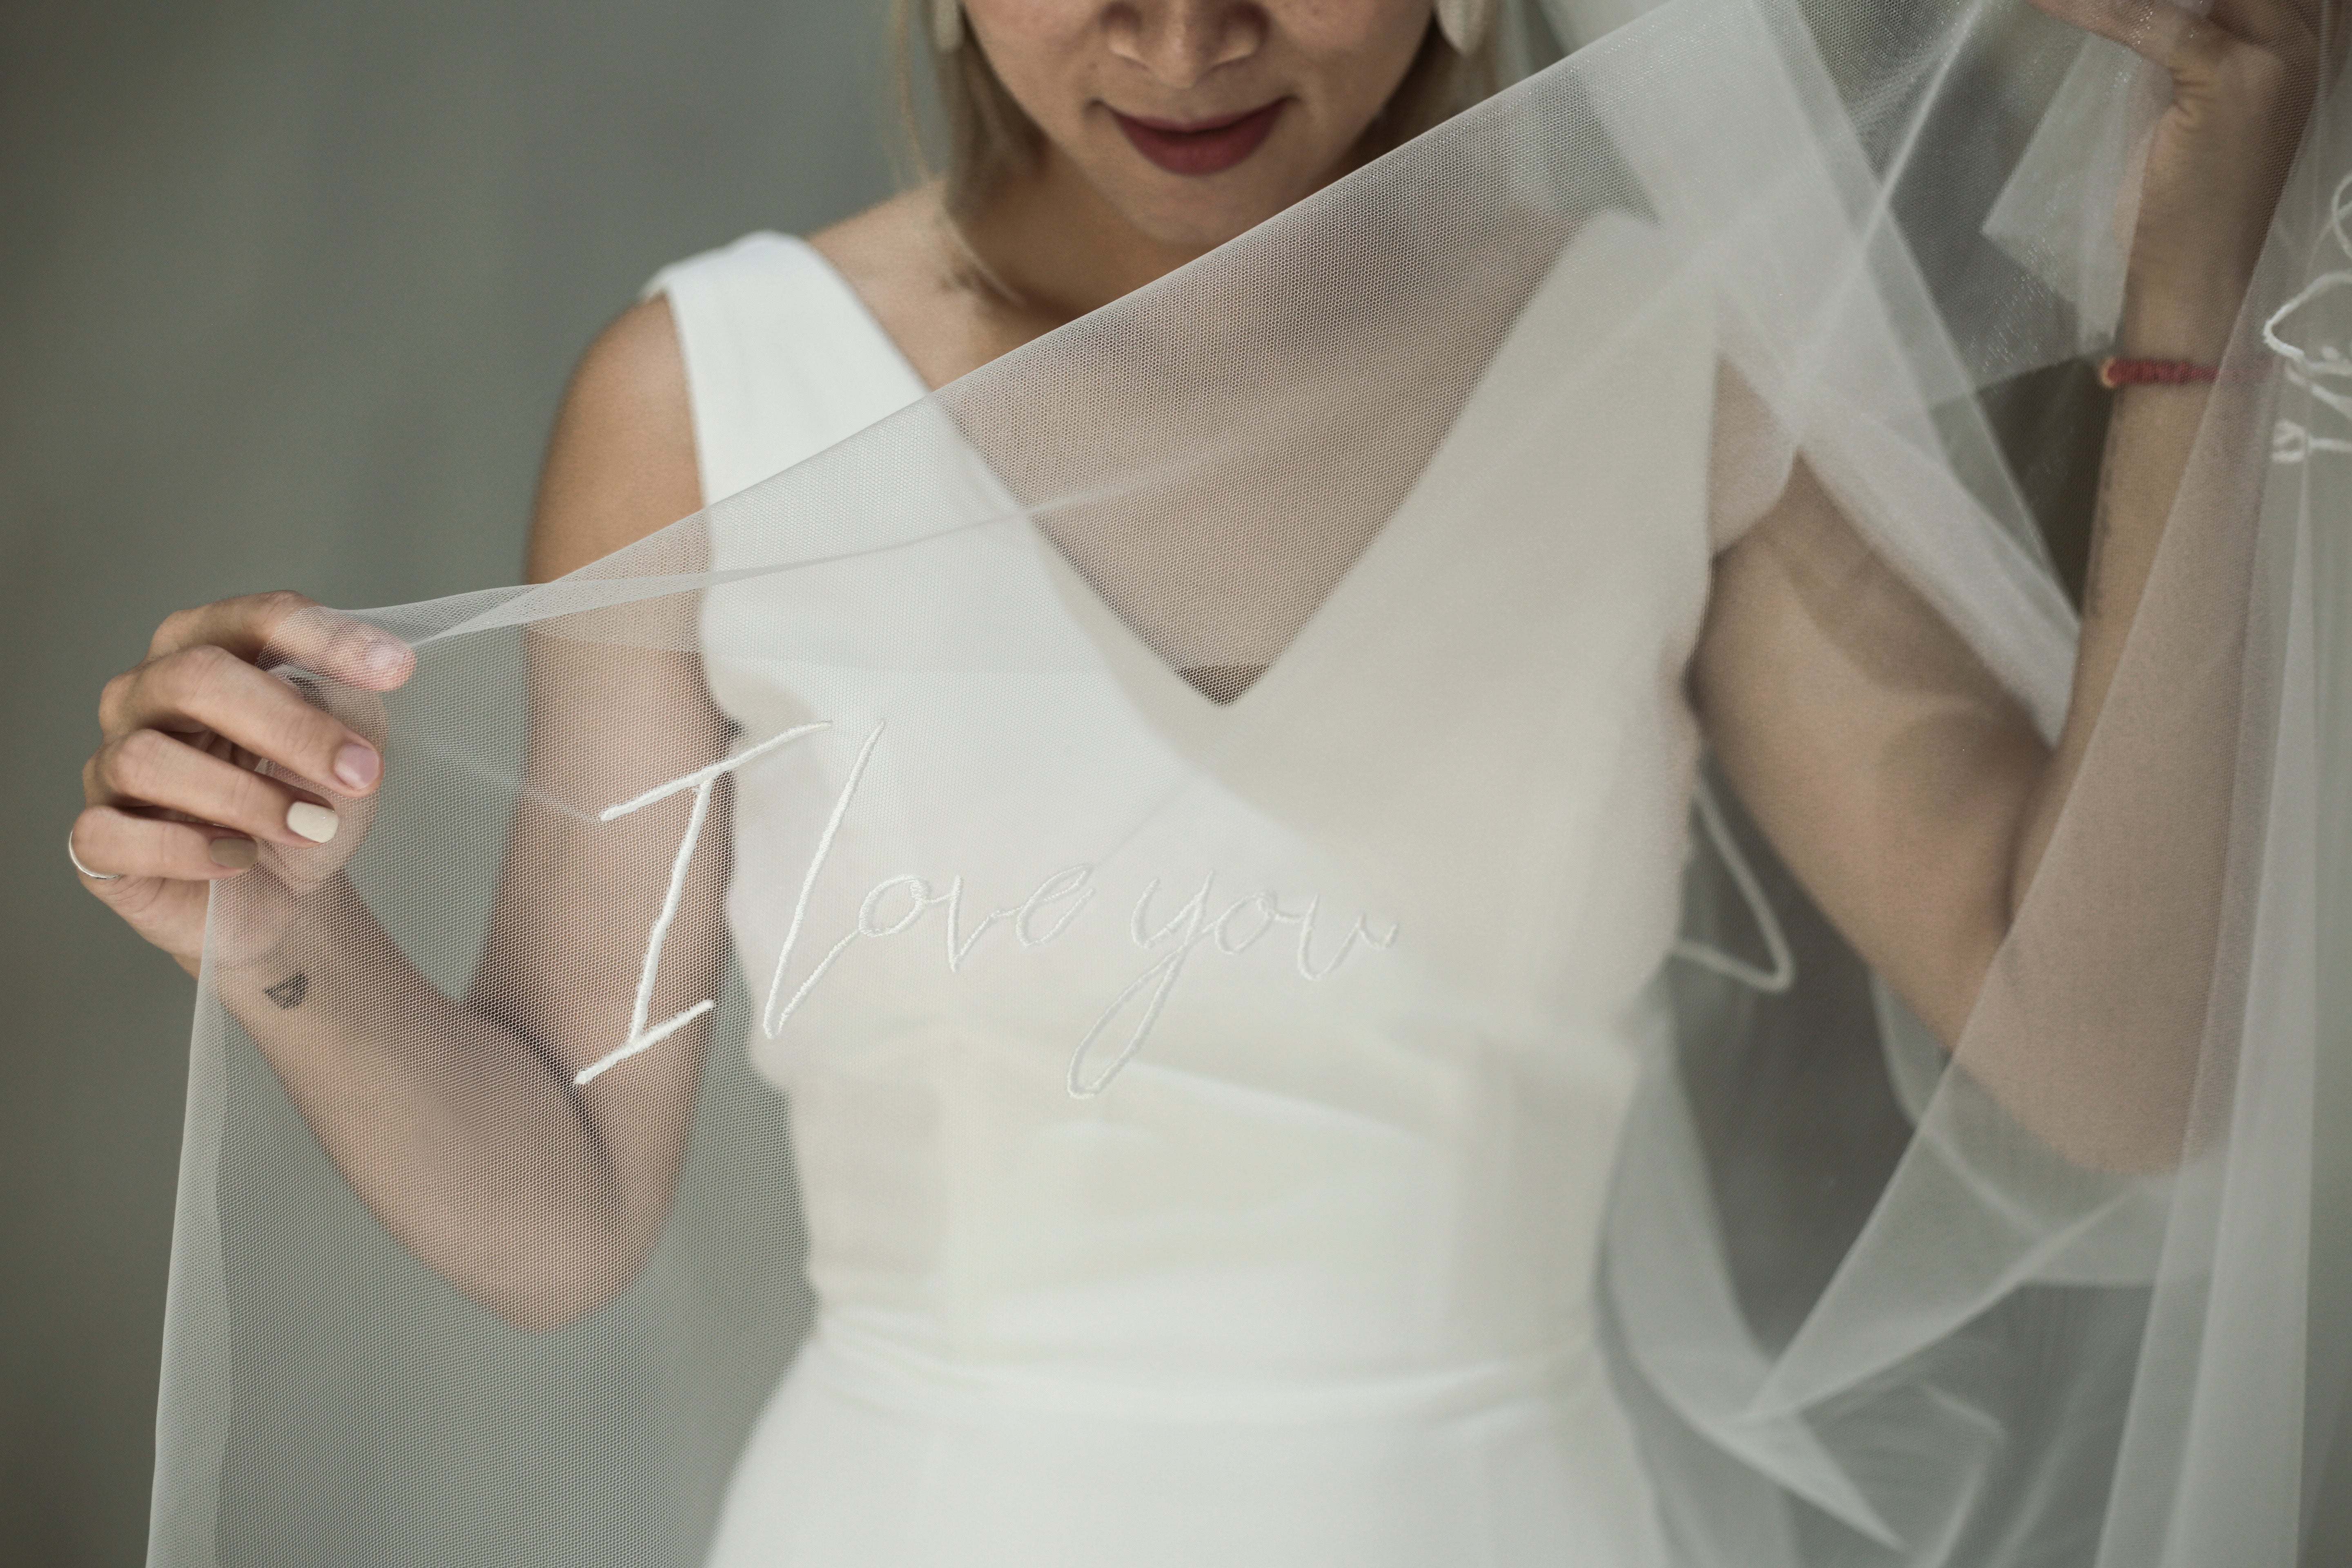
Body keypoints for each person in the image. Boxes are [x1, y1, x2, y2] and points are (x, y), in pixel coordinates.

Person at [79, 1, 2330, 1564]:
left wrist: (2194, 309)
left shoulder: (1664, 365)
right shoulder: (711, 396)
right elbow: (561, 1208)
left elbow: (2122, 1061)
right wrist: (288, 942)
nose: (1181, 42)